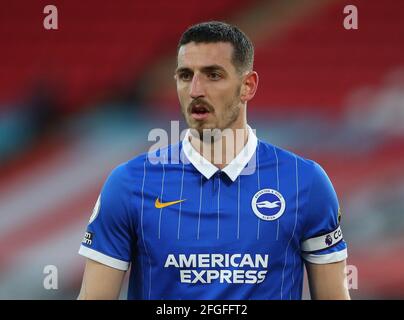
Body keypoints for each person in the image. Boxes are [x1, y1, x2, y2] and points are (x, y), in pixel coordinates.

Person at [77, 21, 350, 300]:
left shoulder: (305, 182)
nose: (196, 89)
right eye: (185, 75)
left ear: (248, 86)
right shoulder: (129, 184)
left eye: (213, 75)